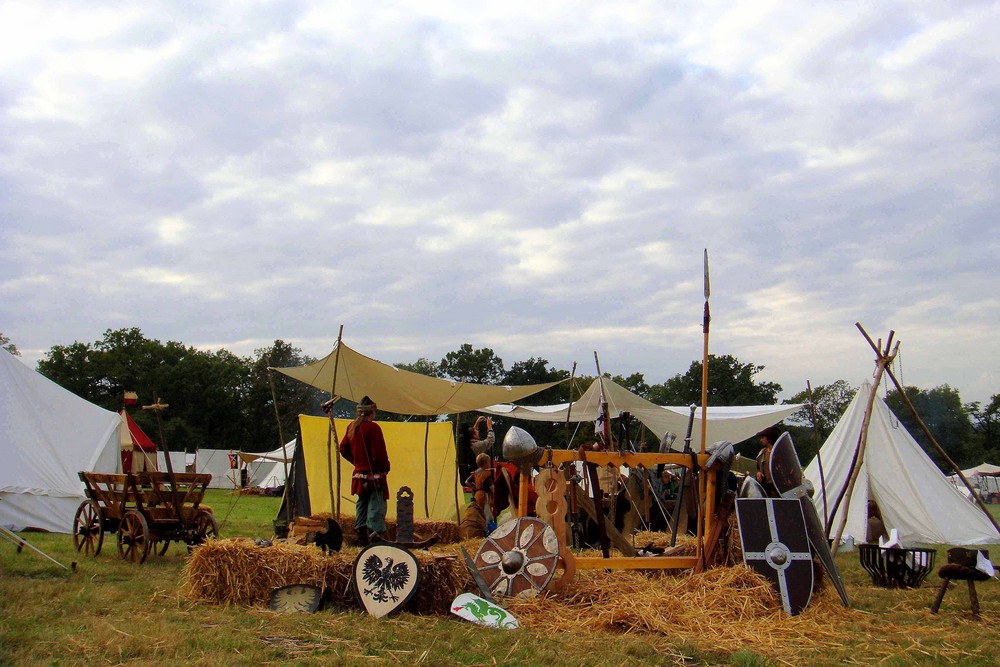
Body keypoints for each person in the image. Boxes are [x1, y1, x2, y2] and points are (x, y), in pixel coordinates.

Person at [332, 395, 390, 546]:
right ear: (372, 412)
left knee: (362, 505)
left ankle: (361, 538)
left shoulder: (352, 426)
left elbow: (343, 448)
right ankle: (374, 540)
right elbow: (379, 453)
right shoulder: (373, 427)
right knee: (376, 507)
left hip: (359, 475)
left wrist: (357, 463)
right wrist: (385, 467)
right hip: (374, 476)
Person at [755, 426, 781, 498]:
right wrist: (758, 472)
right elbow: (757, 466)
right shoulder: (762, 453)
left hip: (777, 487)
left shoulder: (779, 453)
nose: (761, 440)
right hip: (765, 487)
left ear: (769, 439)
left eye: (763, 437)